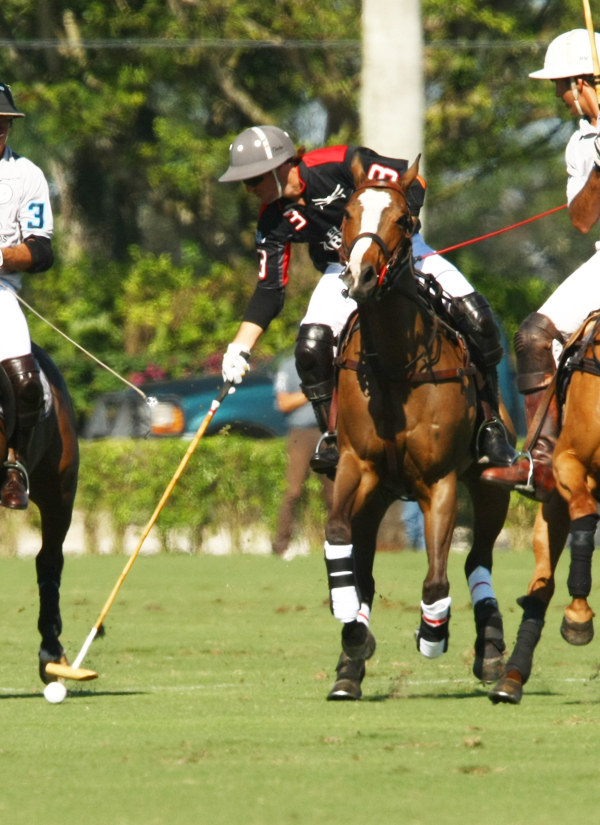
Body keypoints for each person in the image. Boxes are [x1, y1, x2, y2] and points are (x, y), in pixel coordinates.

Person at [219, 126, 516, 475]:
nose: (250, 190)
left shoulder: (336, 163)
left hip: (401, 252)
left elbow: (411, 180)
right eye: (245, 183)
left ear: (279, 165)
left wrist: (404, 226)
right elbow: (269, 289)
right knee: (310, 348)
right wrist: (240, 347)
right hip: (342, 266)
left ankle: (491, 425)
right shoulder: (272, 221)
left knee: (478, 319)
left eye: (253, 180)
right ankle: (332, 437)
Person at [482, 29, 600, 501]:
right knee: (532, 334)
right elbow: (582, 219)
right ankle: (542, 460)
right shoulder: (581, 144)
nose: (557, 96)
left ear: (582, 82)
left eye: (561, 85)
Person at [0, 83, 55, 509]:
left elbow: (40, 249)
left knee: (25, 382)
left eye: (4, 125)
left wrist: (2, 255)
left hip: (0, 289)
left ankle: (14, 467)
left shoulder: (27, 175)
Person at [271, 354, 333, 557]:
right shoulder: (288, 366)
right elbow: (283, 403)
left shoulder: (329, 362)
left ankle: (338, 543)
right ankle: (281, 546)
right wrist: (311, 392)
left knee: (334, 494)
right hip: (300, 434)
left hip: (328, 433)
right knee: (293, 490)